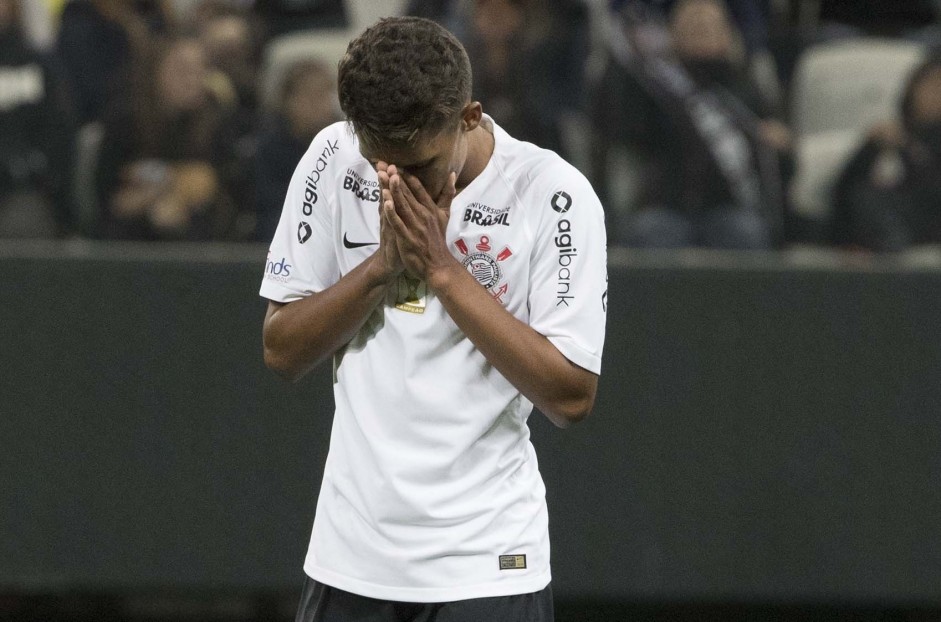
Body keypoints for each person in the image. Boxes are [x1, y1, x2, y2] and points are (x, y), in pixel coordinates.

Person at [259, 16, 607, 621]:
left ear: (468, 118)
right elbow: (282, 350)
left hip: (487, 564)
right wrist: (379, 270)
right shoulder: (331, 159)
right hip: (350, 559)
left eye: (418, 164)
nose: (394, 183)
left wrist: (442, 271)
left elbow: (571, 395)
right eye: (378, 163)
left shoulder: (553, 194)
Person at [591, 0, 786, 248]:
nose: (701, 31)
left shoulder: (745, 88)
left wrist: (776, 143)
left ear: (728, 35)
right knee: (651, 233)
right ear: (672, 34)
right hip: (665, 205)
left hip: (727, 206)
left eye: (710, 25)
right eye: (692, 24)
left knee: (746, 233)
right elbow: (620, 130)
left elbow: (773, 154)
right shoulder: (650, 85)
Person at [94, 35, 242, 240]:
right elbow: (108, 197)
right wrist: (156, 196)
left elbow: (219, 187)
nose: (193, 80)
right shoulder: (124, 121)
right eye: (182, 70)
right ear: (155, 72)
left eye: (200, 70)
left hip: (200, 237)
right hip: (129, 238)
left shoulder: (217, 123)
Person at [830, 56, 941, 251]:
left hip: (925, 225)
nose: (934, 94)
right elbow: (843, 188)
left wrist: (907, 150)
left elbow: (930, 192)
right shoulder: (898, 131)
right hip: (886, 220)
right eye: (929, 86)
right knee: (864, 196)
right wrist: (870, 149)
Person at [254, 59, 340, 242]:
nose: (318, 104)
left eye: (324, 94)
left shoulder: (345, 144)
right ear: (287, 100)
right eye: (309, 95)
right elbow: (267, 204)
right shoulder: (268, 149)